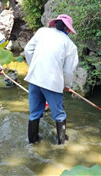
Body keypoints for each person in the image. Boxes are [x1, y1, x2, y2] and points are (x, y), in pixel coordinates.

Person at [24, 14, 79, 144]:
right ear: (68, 30)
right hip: (52, 82)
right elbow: (68, 70)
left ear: (55, 24)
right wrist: (67, 85)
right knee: (59, 115)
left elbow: (28, 49)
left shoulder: (42, 32)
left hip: (34, 79)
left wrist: (35, 67)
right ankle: (61, 145)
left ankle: (33, 142)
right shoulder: (69, 45)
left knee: (34, 113)